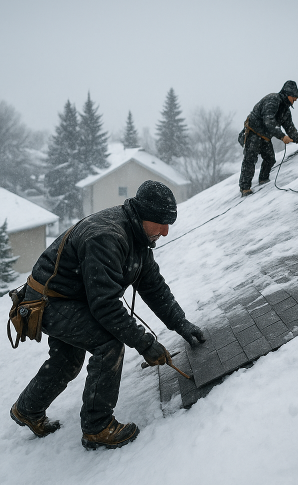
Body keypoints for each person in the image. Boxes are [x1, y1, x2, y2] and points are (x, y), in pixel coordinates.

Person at [10, 180, 206, 450]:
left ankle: (27, 409)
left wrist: (181, 323)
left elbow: (153, 286)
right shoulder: (106, 237)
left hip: (70, 299)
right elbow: (105, 306)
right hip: (47, 301)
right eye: (161, 222)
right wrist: (146, 343)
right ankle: (97, 427)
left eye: (169, 222)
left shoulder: (137, 235)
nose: (166, 231)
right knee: (108, 343)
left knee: (68, 358)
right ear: (143, 214)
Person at [238, 80, 298, 196]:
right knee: (250, 159)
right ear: (288, 94)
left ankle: (263, 180)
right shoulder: (273, 100)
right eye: (294, 98)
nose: (294, 101)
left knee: (270, 158)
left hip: (265, 136)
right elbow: (268, 121)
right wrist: (282, 136)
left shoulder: (286, 110)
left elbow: (289, 126)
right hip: (253, 132)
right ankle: (245, 188)